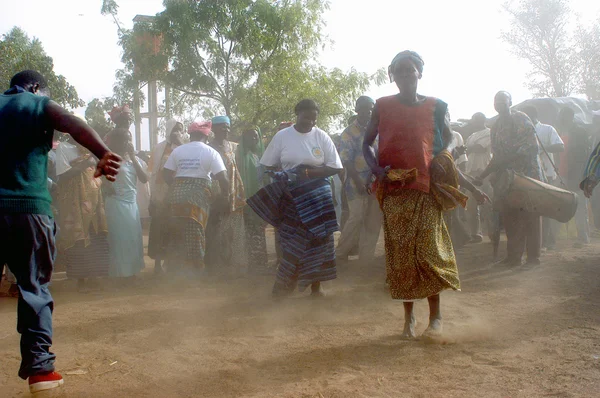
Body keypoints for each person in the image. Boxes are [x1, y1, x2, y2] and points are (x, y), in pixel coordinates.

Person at [0, 70, 121, 393]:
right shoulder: (37, 104)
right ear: (36, 87)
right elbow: (70, 121)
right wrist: (102, 152)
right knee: (33, 286)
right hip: (29, 209)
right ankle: (40, 370)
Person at [362, 51, 462, 339]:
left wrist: (446, 155)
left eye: (411, 70)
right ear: (393, 76)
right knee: (402, 255)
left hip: (426, 188)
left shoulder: (436, 106)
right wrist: (376, 169)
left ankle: (436, 316)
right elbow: (366, 144)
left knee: (428, 251)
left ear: (420, 73)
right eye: (400, 71)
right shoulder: (381, 106)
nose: (406, 75)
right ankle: (408, 319)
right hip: (395, 190)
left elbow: (451, 137)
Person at [248, 99, 343, 297]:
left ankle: (316, 288)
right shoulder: (283, 136)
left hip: (318, 198)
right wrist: (284, 176)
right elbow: (267, 165)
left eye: (314, 119)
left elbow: (335, 166)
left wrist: (308, 173)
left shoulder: (322, 136)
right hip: (291, 197)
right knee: (291, 241)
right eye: (306, 117)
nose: (310, 122)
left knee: (319, 241)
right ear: (297, 114)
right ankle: (285, 285)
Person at [476, 91, 542, 266]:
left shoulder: (520, 118)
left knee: (530, 216)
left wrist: (504, 161)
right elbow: (496, 156)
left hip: (528, 176)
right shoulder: (496, 126)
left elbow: (531, 147)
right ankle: (514, 257)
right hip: (508, 180)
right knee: (510, 217)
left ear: (510, 102)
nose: (499, 104)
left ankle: (534, 258)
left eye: (503, 101)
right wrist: (481, 176)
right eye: (496, 101)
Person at [163, 121, 229, 272]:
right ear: (207, 135)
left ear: (190, 135)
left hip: (176, 196)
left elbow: (166, 174)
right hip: (197, 198)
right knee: (196, 233)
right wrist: (225, 196)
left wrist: (178, 187)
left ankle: (174, 270)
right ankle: (195, 273)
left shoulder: (178, 151)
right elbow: (223, 178)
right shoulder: (211, 152)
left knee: (177, 232)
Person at [54, 132, 110, 293]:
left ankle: (94, 277)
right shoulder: (64, 148)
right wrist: (86, 162)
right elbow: (63, 175)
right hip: (75, 203)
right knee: (78, 239)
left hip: (94, 200)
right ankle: (80, 281)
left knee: (95, 236)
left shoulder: (89, 149)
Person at [336, 96, 382, 263]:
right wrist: (358, 181)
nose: (367, 111)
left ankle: (366, 258)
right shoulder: (349, 132)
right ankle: (340, 254)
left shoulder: (378, 130)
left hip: (376, 182)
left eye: (370, 108)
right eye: (363, 108)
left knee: (373, 219)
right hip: (355, 182)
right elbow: (346, 160)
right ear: (356, 110)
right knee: (356, 217)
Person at [104, 128, 148, 280]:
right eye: (124, 139)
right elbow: (102, 181)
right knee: (119, 239)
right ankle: (120, 273)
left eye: (129, 139)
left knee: (132, 238)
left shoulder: (134, 160)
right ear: (115, 141)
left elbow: (144, 178)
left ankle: (131, 272)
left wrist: (134, 158)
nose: (127, 143)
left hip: (131, 204)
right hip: (116, 204)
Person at [205, 116, 248, 273]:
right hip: (216, 191)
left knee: (234, 228)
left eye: (227, 127)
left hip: (234, 191)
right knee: (216, 227)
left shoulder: (233, 147)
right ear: (213, 129)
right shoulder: (208, 147)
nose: (226, 130)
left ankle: (234, 264)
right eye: (222, 127)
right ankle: (216, 265)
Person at [522, 105, 564, 250]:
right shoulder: (521, 132)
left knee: (545, 209)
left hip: (547, 175)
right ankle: (536, 242)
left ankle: (547, 242)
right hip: (528, 176)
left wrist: (540, 148)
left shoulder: (547, 129)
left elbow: (560, 146)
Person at [148, 119, 185, 274]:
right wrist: (152, 197)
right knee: (159, 226)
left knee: (175, 227)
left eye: (181, 130)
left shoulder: (185, 147)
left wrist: (181, 143)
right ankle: (157, 263)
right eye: (175, 130)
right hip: (161, 194)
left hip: (179, 192)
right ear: (169, 131)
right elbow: (152, 171)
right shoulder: (159, 148)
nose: (178, 133)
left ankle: (173, 264)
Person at [557, 107, 592, 247]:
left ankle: (583, 238)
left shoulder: (579, 131)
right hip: (563, 173)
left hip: (577, 175)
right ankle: (570, 237)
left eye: (563, 117)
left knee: (580, 207)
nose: (561, 120)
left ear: (569, 117)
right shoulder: (562, 131)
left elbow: (584, 155)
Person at [236, 128, 269, 273]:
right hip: (248, 198)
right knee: (250, 229)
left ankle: (261, 263)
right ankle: (252, 264)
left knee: (260, 229)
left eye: (256, 137)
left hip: (261, 197)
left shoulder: (260, 155)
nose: (254, 139)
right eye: (250, 137)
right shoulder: (241, 156)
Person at [465, 113, 492, 243]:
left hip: (484, 171)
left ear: (482, 121)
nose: (473, 123)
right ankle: (475, 233)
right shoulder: (471, 136)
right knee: (471, 204)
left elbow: (480, 148)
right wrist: (469, 148)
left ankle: (492, 231)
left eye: (475, 120)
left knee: (487, 202)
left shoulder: (489, 132)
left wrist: (469, 148)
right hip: (471, 172)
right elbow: (467, 150)